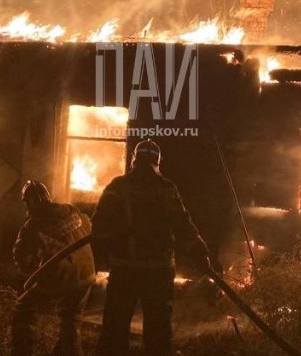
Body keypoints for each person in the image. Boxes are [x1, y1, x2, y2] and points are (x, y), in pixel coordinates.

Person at [91, 139, 211, 356]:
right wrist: (199, 251)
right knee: (158, 334)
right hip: (159, 271)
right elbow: (184, 225)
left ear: (134, 160)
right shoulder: (167, 188)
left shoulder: (117, 187)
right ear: (157, 162)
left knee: (114, 330)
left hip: (124, 269)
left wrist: (107, 248)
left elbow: (99, 226)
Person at [11, 180, 95, 356]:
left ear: (29, 202)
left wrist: (34, 272)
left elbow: (20, 258)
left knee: (22, 308)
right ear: (47, 197)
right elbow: (88, 228)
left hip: (63, 277)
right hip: (87, 273)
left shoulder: (32, 226)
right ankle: (67, 350)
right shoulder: (71, 210)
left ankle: (22, 351)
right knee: (71, 321)